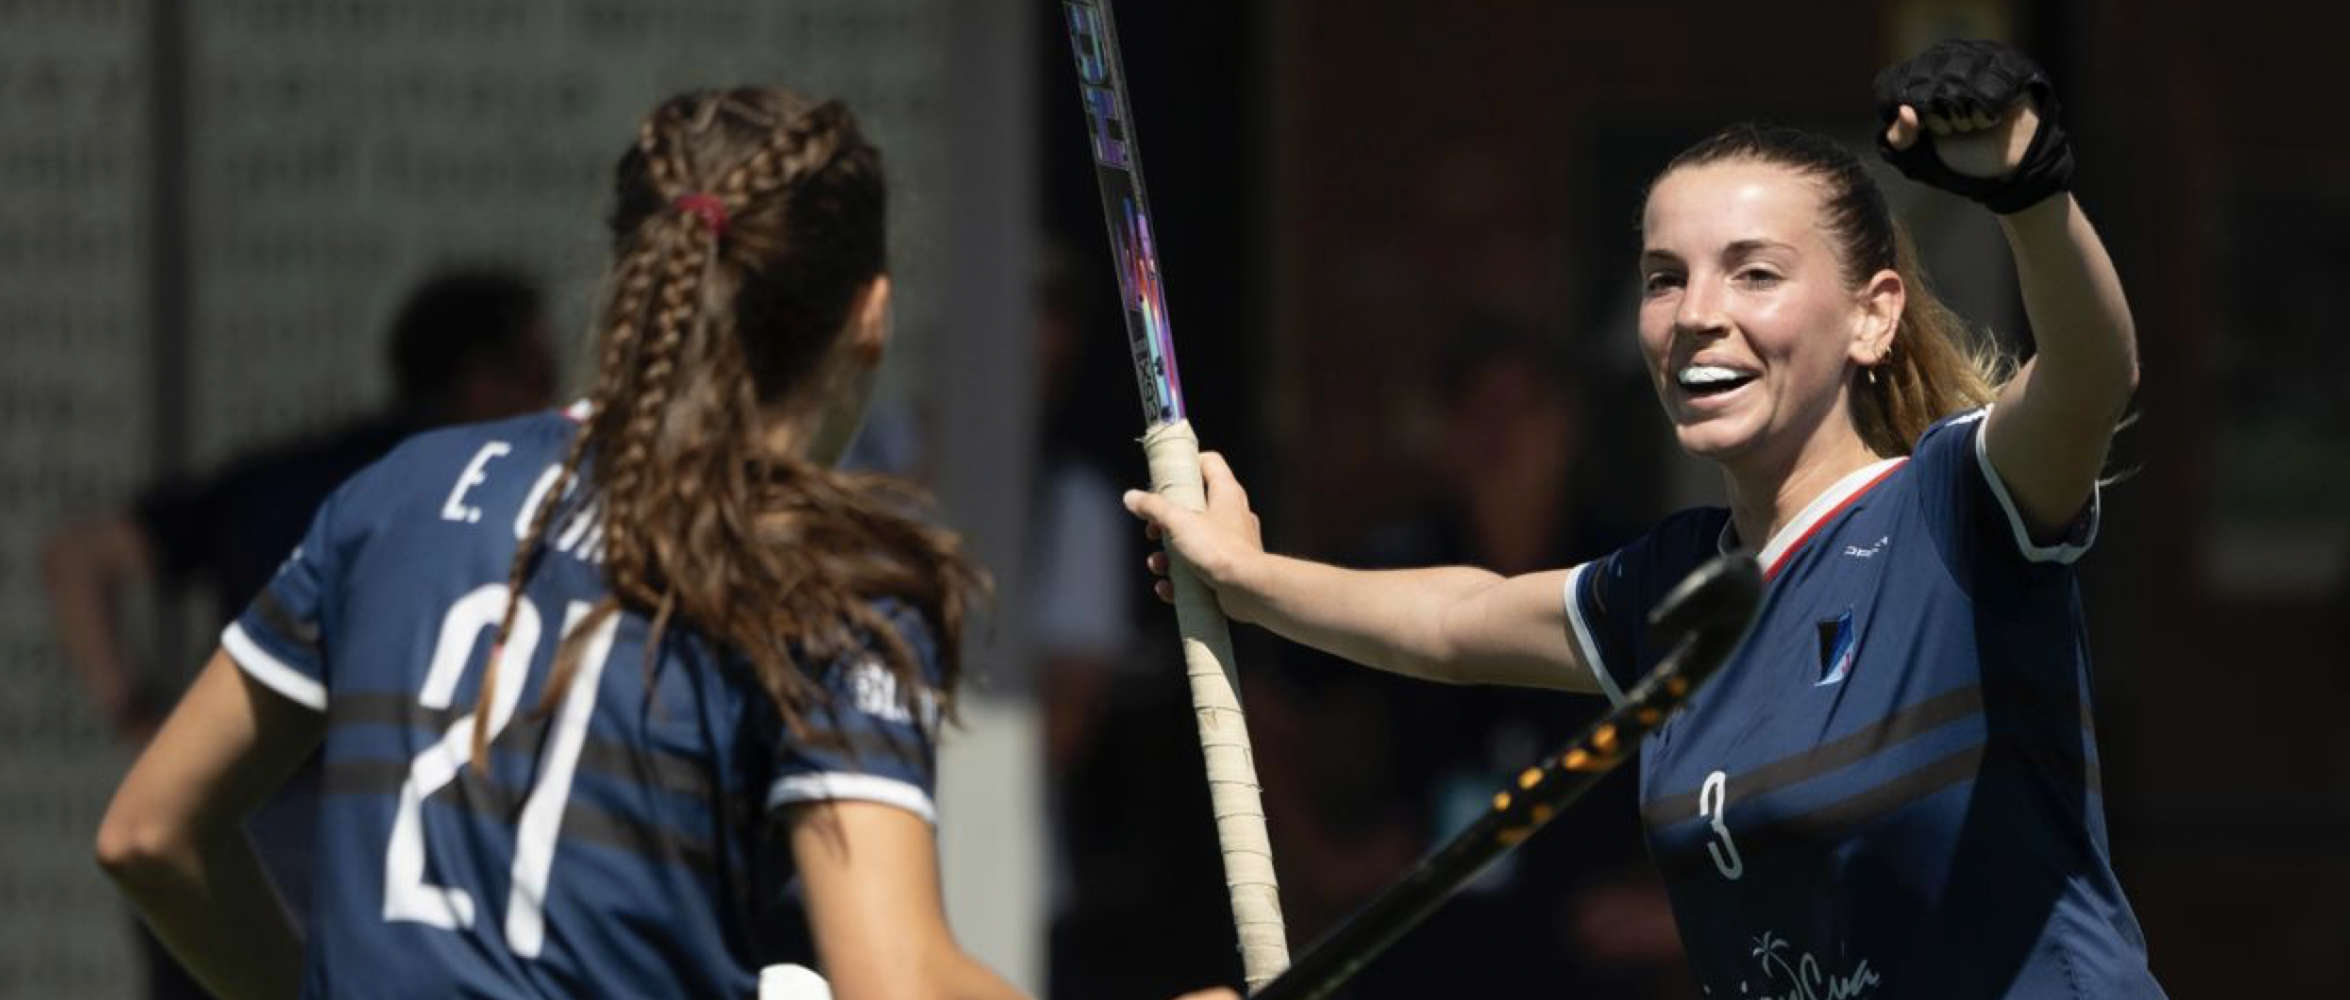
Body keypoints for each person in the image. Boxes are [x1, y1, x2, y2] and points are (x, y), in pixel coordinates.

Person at [92, 86, 1236, 1000]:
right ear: (870, 314)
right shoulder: (827, 570)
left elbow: (148, 833)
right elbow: (895, 979)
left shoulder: (399, 491)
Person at [1124, 40, 2164, 998]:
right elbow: (1454, 621)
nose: (1696, 312)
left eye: (1754, 272)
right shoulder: (1677, 592)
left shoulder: (1954, 505)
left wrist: (2030, 195)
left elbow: (2087, 374)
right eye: (1666, 278)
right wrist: (1252, 580)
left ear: (1872, 313)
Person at [44, 266, 553, 1000]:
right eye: (539, 371)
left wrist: (138, 716)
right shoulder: (431, 503)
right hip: (350, 847)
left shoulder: (310, 479)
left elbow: (77, 558)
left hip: (228, 833)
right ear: (481, 379)